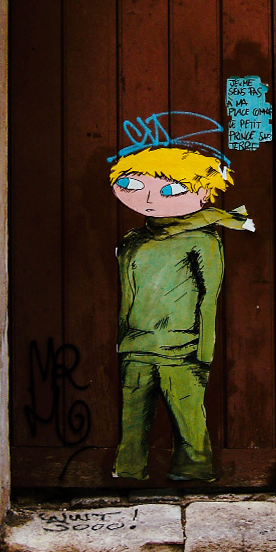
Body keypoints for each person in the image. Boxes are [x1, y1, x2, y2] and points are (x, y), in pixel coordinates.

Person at [109, 144, 254, 482]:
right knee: (132, 420)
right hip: (136, 347)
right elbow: (127, 295)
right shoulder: (133, 240)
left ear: (203, 193)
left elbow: (209, 298)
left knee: (188, 418)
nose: (149, 198)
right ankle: (129, 472)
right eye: (133, 185)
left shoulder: (203, 239)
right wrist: (122, 339)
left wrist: (204, 352)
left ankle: (194, 473)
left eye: (170, 189)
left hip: (182, 348)